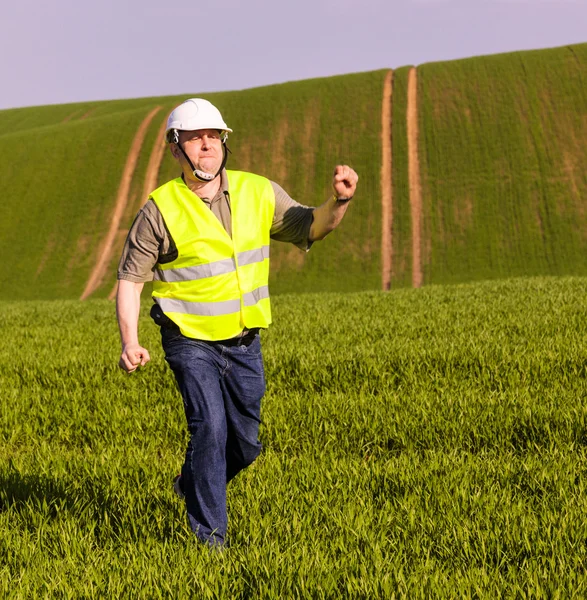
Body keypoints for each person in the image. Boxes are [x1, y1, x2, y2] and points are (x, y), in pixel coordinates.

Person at [116, 98, 358, 546]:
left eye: (213, 136)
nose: (205, 145)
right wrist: (130, 340)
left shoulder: (257, 191)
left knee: (245, 443)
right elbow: (130, 281)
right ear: (176, 149)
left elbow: (312, 226)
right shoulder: (159, 209)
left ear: (224, 142)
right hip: (188, 339)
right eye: (194, 138)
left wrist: (339, 200)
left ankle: (192, 484)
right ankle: (211, 541)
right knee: (209, 427)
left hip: (244, 342)